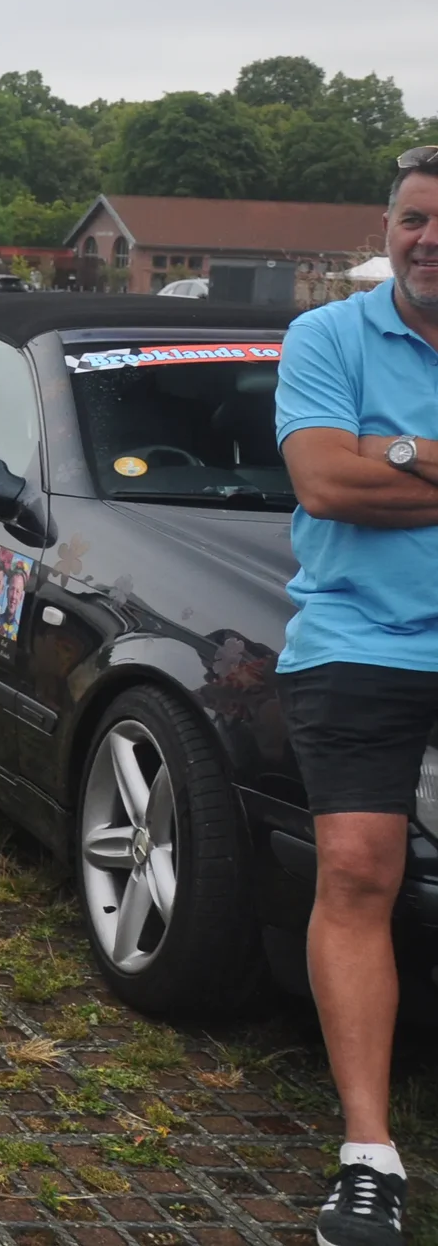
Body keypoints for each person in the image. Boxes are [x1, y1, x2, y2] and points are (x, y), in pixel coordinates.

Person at [275, 146, 438, 1246]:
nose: (426, 241)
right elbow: (326, 480)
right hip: (357, 637)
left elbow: (367, 471)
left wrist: (412, 454)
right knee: (356, 867)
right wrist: (374, 461)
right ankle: (368, 1152)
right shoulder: (326, 335)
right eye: (413, 219)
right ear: (388, 226)